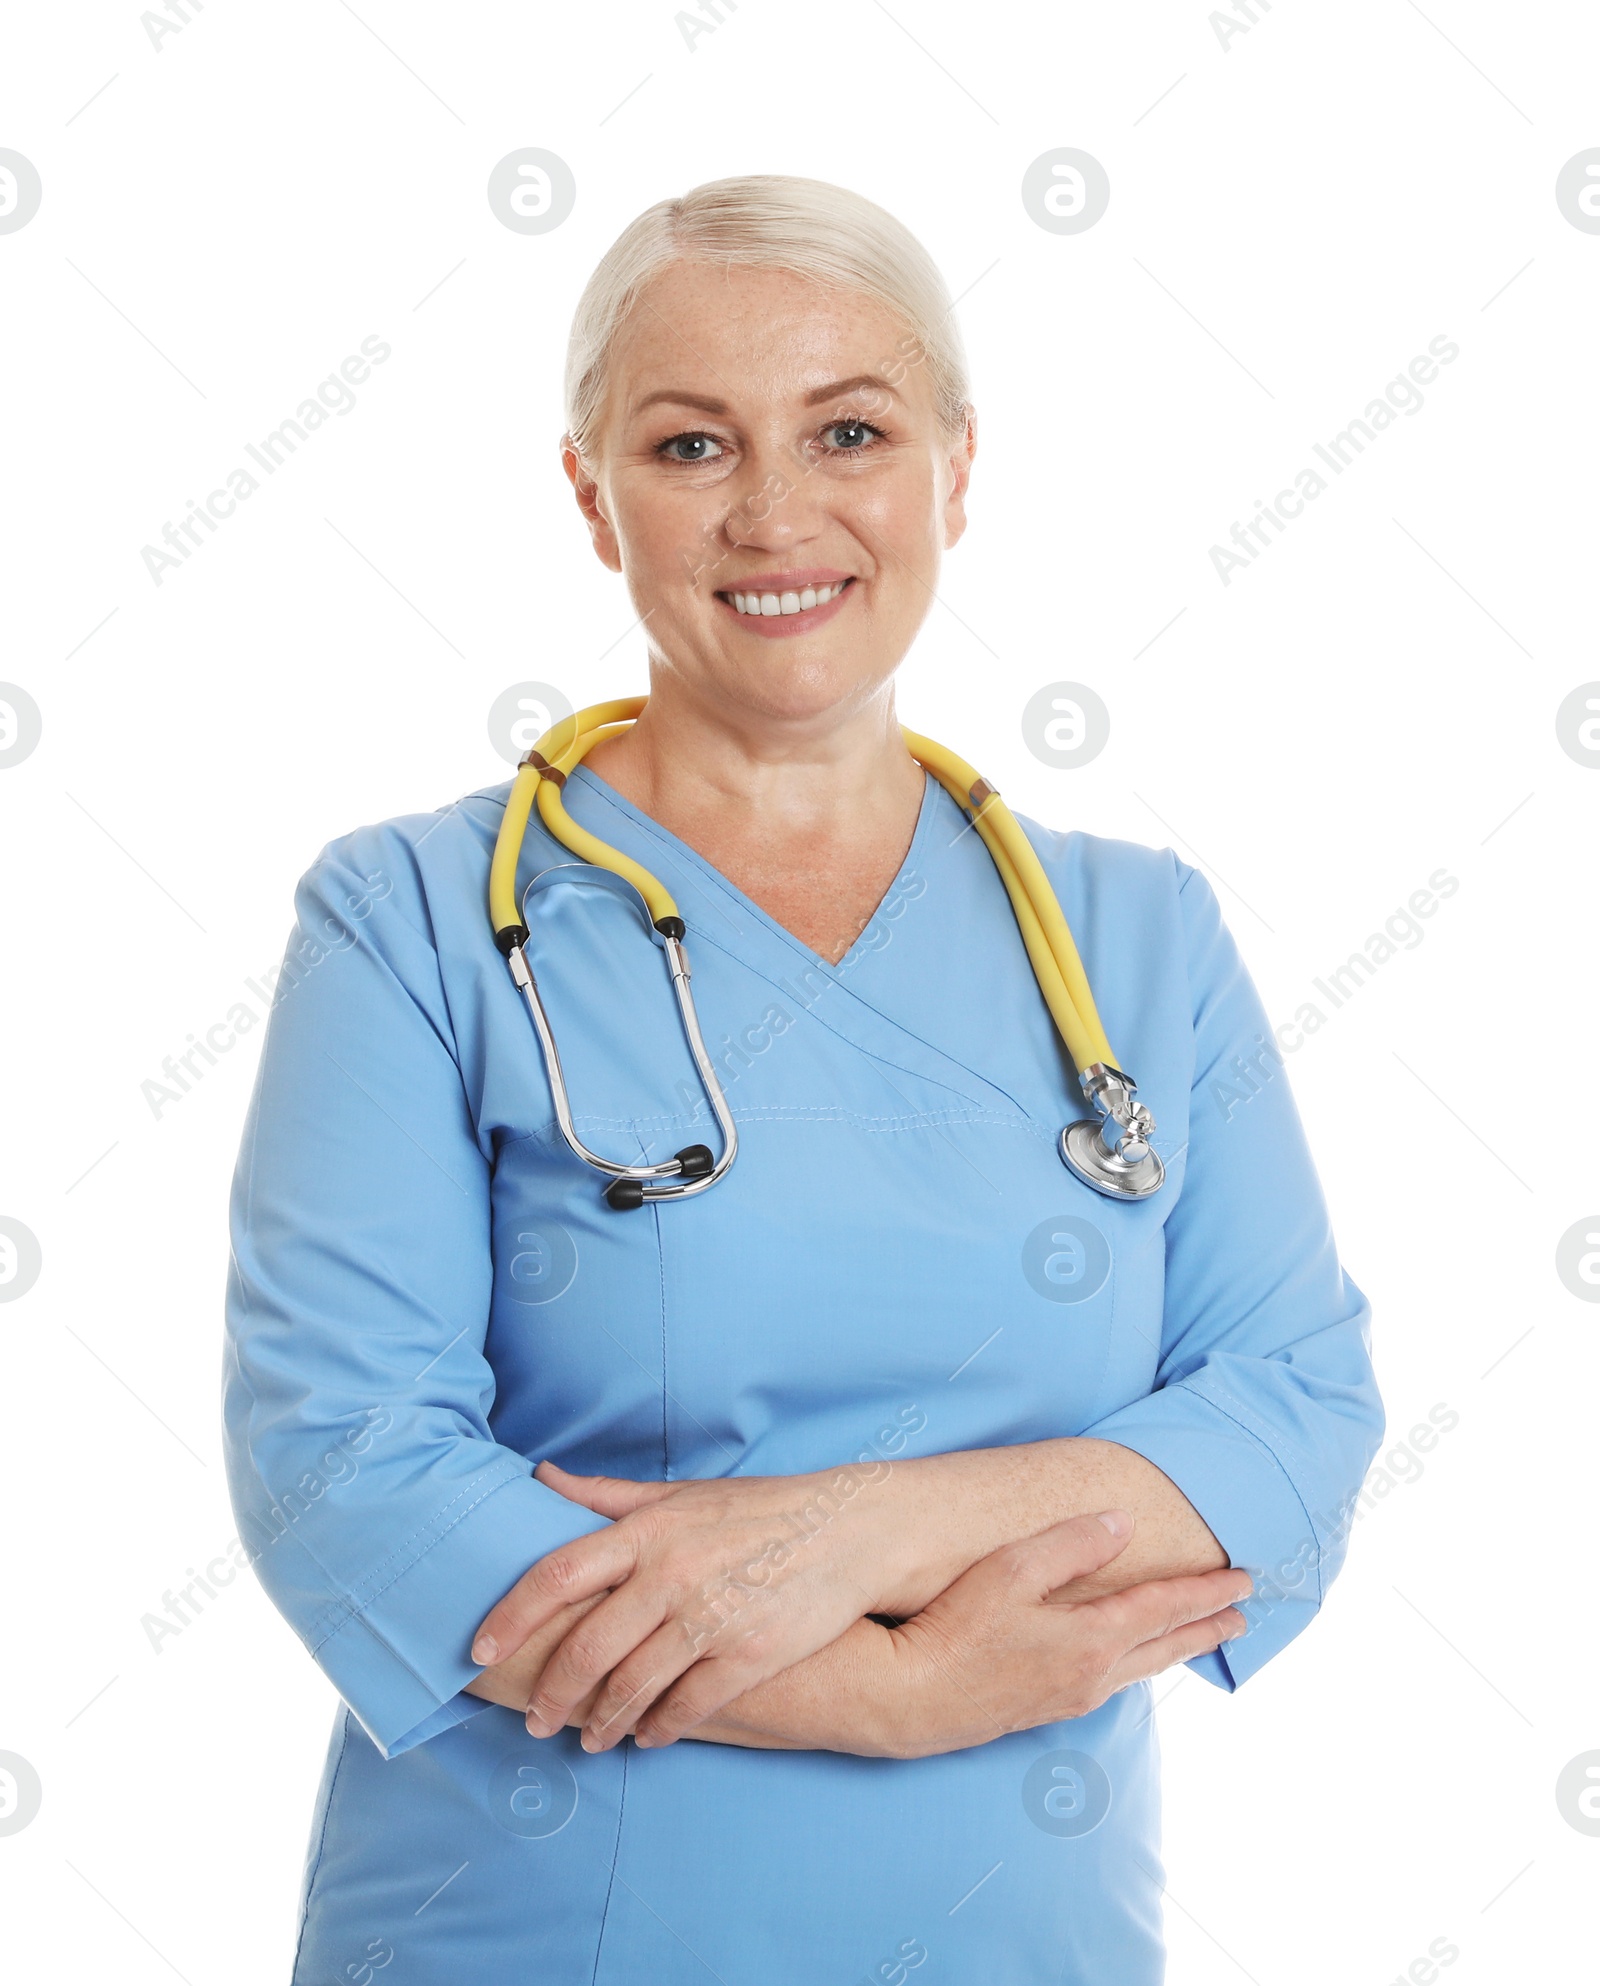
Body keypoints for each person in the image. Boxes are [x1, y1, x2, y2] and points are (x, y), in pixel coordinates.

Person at [223, 173, 1383, 1985]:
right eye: (692, 445)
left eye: (850, 429)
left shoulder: (1138, 936)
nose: (776, 512)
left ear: (958, 468)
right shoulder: (416, 920)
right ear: (591, 493)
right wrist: (901, 1689)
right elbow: (346, 1470)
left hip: (1028, 1933)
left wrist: (833, 1533)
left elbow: (1295, 1427)